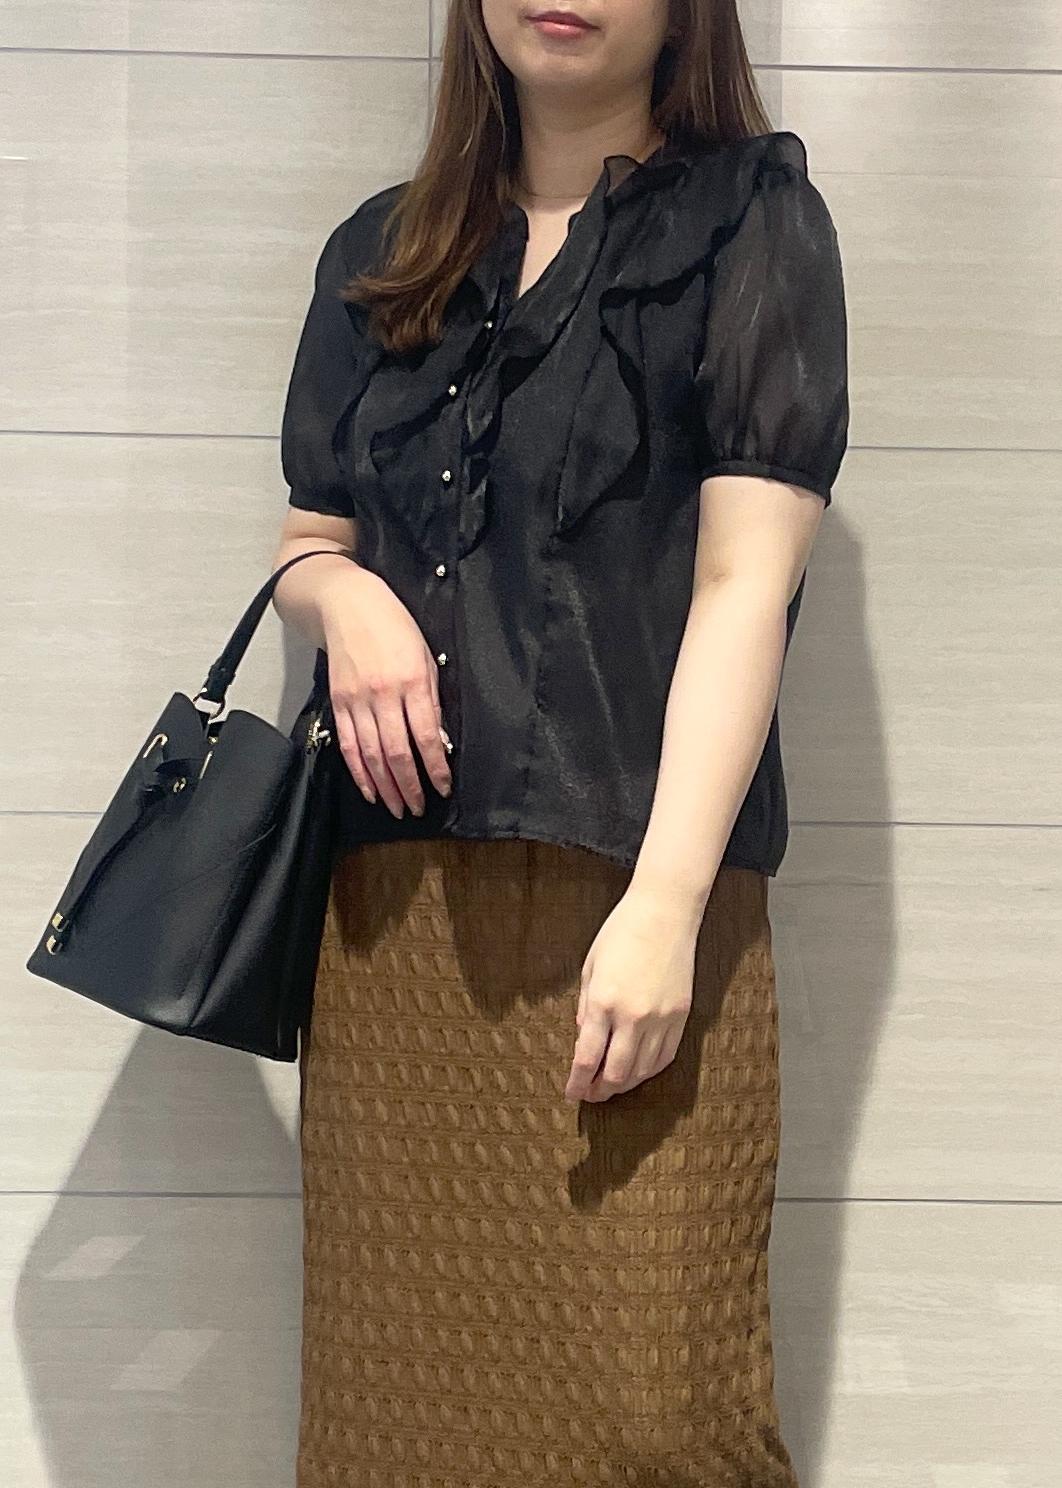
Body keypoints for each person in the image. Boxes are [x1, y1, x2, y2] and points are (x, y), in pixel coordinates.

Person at [271, 0, 848, 1482]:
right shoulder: (381, 249)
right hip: (391, 919)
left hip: (636, 897)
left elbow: (745, 585)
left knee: (659, 1412)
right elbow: (306, 541)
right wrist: (344, 597)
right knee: (398, 1409)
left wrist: (665, 906)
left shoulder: (750, 222)